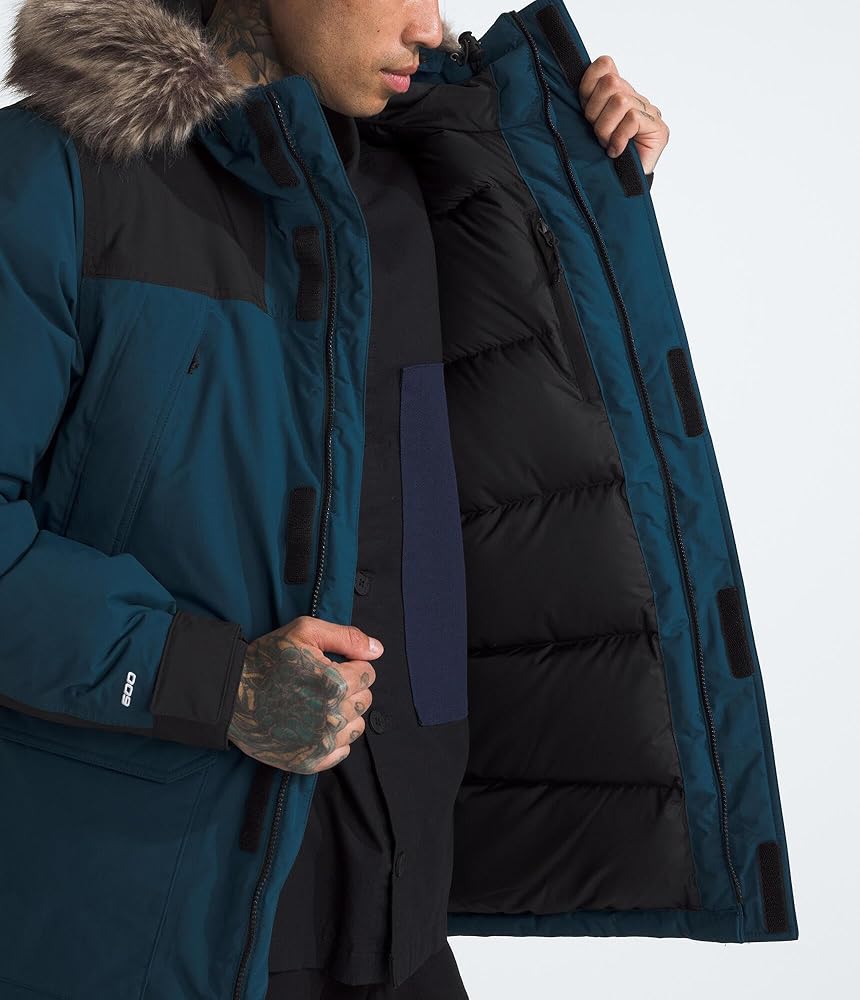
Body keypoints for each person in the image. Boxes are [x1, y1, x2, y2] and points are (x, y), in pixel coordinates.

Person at [1, 2, 798, 999]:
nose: (429, 24)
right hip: (143, 926)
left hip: (395, 919)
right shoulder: (54, 175)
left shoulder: (407, 181)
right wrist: (210, 681)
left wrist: (581, 182)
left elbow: (526, 458)